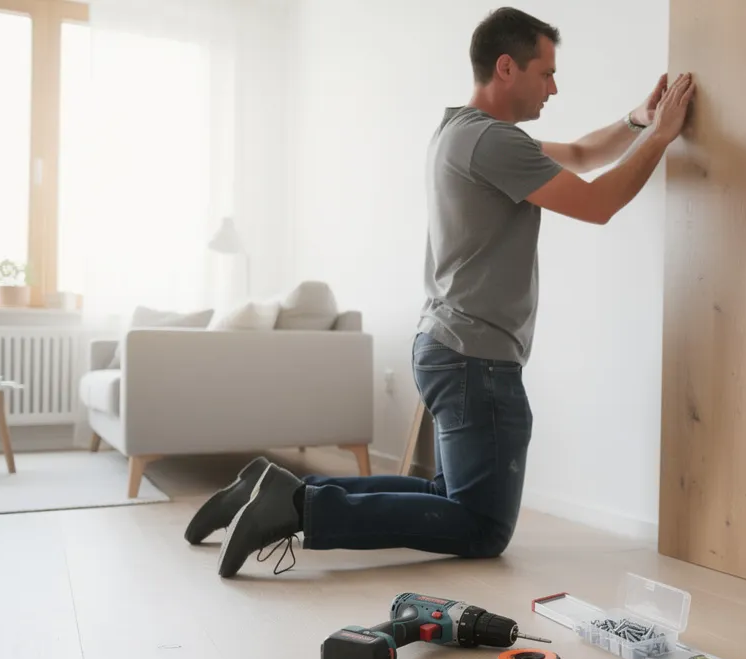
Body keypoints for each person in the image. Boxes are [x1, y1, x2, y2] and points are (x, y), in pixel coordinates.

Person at [184, 7, 697, 578]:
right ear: (507, 67)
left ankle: (277, 488)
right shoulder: (493, 143)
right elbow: (599, 204)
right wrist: (661, 136)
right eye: (545, 72)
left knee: (446, 494)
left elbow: (580, 155)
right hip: (474, 358)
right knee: (483, 526)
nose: (555, 86)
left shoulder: (466, 133)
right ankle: (301, 507)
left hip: (451, 347)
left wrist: (636, 120)